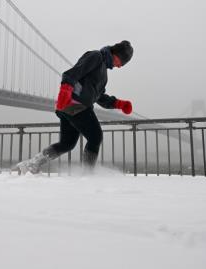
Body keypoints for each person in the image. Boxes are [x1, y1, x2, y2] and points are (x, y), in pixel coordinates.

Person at [16, 40, 134, 174]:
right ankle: (88, 173)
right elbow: (72, 73)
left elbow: (99, 97)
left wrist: (119, 103)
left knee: (67, 144)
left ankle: (31, 164)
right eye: (122, 62)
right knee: (95, 136)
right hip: (75, 105)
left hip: (71, 107)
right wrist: (64, 92)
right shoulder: (96, 57)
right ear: (117, 54)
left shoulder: (103, 74)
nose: (120, 66)